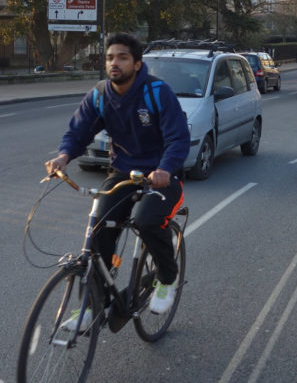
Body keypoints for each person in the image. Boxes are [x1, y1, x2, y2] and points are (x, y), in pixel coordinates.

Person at [45, 32, 191, 325]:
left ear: (137, 64)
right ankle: (91, 305)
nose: (115, 63)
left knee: (147, 221)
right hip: (123, 173)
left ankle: (166, 278)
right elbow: (78, 132)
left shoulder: (156, 92)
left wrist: (164, 168)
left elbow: (178, 138)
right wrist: (63, 156)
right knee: (98, 228)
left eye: (122, 57)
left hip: (162, 176)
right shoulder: (100, 95)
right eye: (110, 57)